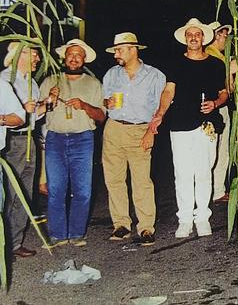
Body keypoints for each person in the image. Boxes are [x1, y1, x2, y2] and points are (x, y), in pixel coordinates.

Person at [149, 18, 228, 238]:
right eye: (190, 35)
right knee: (182, 174)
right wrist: (159, 115)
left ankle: (202, 217)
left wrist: (216, 103)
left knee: (204, 172)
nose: (194, 38)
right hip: (180, 125)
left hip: (207, 125)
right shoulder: (175, 63)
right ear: (185, 38)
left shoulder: (215, 64)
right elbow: (168, 92)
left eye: (198, 34)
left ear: (203, 37)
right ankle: (184, 219)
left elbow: (224, 93)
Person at [101, 33, 166, 246]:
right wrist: (107, 102)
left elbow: (160, 108)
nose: (115, 55)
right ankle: (121, 224)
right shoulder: (112, 74)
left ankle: (146, 227)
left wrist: (151, 132)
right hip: (114, 129)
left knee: (142, 181)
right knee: (114, 179)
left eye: (119, 50)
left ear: (133, 49)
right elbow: (105, 100)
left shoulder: (155, 76)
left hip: (140, 130)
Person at [40, 39, 106, 247]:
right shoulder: (50, 80)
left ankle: (77, 233)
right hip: (55, 139)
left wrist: (84, 105)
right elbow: (39, 113)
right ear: (64, 57)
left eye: (78, 55)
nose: (74, 58)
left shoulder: (94, 83)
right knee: (56, 188)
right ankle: (58, 235)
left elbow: (101, 116)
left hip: (83, 139)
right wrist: (50, 98)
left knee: (83, 190)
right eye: (71, 54)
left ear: (84, 59)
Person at [0, 43, 34, 257]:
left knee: (23, 193)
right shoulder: (6, 79)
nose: (37, 59)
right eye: (34, 54)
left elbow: (24, 117)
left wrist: (39, 107)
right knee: (10, 195)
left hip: (28, 140)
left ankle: (13, 243)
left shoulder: (31, 82)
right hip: (13, 142)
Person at [206, 21, 232, 203]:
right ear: (216, 35)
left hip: (222, 106)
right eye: (224, 36)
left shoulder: (221, 57)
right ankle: (210, 191)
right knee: (214, 150)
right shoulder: (212, 56)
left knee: (222, 150)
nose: (226, 40)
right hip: (216, 107)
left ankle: (218, 190)